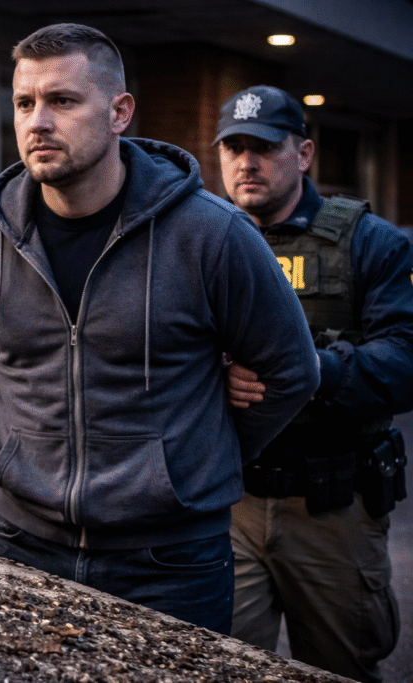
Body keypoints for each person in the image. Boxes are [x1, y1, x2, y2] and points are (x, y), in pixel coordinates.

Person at [0, 23, 320, 635]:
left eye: (63, 101)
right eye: (24, 103)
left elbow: (292, 371)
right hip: (21, 541)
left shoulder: (212, 236)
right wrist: (33, 443)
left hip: (171, 560)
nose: (37, 122)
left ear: (119, 112)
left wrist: (185, 458)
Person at [215, 84, 413, 683]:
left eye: (264, 148)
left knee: (339, 667)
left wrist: (308, 367)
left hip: (332, 507)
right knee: (218, 662)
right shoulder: (202, 236)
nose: (246, 163)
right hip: (230, 503)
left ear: (303, 155)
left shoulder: (369, 242)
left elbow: (404, 361)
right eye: (233, 148)